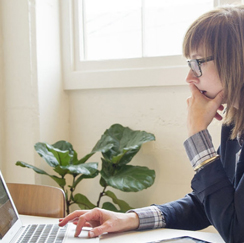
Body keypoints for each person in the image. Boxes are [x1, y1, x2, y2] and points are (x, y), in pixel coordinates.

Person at [59, 4, 244, 243]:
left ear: (234, 61)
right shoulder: (235, 125)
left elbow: (236, 232)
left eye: (197, 63)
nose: (189, 78)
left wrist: (198, 136)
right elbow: (209, 202)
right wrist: (130, 219)